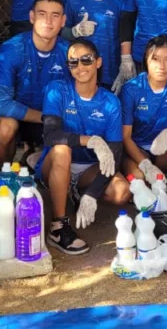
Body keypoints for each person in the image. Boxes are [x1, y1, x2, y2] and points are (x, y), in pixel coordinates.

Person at [40, 39, 130, 254]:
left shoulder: (110, 102)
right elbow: (50, 135)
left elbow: (115, 153)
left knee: (121, 192)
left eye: (86, 60)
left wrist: (92, 194)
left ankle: (80, 193)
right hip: (56, 162)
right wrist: (89, 140)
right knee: (63, 150)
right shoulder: (57, 90)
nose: (80, 67)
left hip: (88, 168)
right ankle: (58, 226)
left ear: (98, 62)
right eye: (73, 63)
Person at [0, 0, 71, 164]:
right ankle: (3, 174)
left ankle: (45, 169)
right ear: (32, 17)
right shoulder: (12, 49)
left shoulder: (69, 52)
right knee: (5, 127)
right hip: (19, 116)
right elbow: (2, 103)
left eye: (55, 15)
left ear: (63, 21)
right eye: (42, 14)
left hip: (51, 118)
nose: (48, 21)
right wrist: (44, 117)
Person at [119, 35, 167, 186]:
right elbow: (125, 136)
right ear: (146, 61)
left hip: (166, 151)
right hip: (137, 150)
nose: (161, 66)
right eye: (155, 59)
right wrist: (146, 165)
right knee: (139, 180)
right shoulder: (131, 88)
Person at [65, 0, 122, 89]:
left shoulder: (119, 3)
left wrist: (125, 65)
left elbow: (126, 37)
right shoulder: (74, 2)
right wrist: (75, 31)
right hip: (81, 70)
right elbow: (60, 33)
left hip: (111, 70)